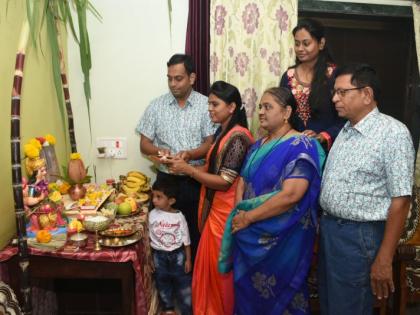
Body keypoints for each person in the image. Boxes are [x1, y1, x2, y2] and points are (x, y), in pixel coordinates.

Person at [218, 87, 326, 314]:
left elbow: (291, 195)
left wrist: (249, 217)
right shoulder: (258, 145)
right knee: (248, 295)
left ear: (286, 112)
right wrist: (240, 212)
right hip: (248, 233)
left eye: (268, 107)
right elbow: (243, 181)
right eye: (260, 107)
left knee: (284, 296)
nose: (261, 112)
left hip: (284, 237)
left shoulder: (302, 145)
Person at [318, 63, 415, 314]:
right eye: (334, 92)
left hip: (359, 236)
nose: (334, 98)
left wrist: (384, 258)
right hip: (332, 230)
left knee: (348, 307)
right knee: (330, 304)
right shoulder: (347, 129)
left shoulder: (392, 133)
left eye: (342, 92)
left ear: (367, 94)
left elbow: (401, 199)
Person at [168, 81, 254, 315]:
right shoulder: (223, 132)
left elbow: (226, 181)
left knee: (220, 271)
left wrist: (189, 170)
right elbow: (214, 167)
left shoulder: (238, 137)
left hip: (226, 213)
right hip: (215, 209)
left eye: (215, 104)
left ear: (232, 107)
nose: (210, 109)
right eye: (208, 103)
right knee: (209, 271)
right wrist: (185, 163)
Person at [136, 54, 216, 257]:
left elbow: (211, 144)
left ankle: (193, 280)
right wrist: (158, 151)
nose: (173, 84)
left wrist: (189, 154)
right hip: (165, 182)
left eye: (178, 78)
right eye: (169, 78)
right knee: (163, 234)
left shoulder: (207, 106)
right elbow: (144, 145)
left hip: (195, 180)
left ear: (192, 78)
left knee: (195, 232)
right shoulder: (156, 106)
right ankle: (166, 275)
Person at [280, 18, 344, 150]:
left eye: (306, 43)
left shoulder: (334, 75)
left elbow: (346, 116)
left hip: (328, 149)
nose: (300, 49)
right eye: (297, 44)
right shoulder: (288, 76)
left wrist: (323, 136)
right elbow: (282, 115)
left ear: (321, 43)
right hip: (294, 148)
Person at [149, 179, 192, 315]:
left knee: (183, 284)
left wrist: (188, 260)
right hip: (159, 256)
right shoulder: (151, 215)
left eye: (159, 197)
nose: (154, 200)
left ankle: (186, 310)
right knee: (162, 283)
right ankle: (168, 309)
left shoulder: (179, 217)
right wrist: (150, 258)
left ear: (171, 201)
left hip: (178, 256)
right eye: (153, 196)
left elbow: (186, 240)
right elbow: (149, 237)